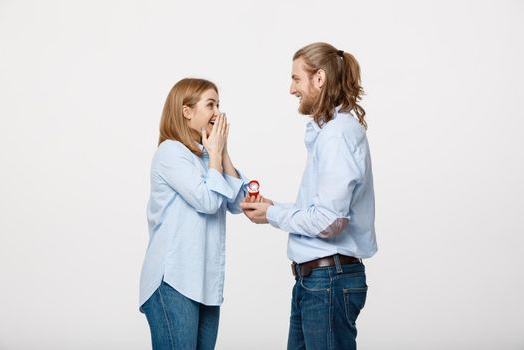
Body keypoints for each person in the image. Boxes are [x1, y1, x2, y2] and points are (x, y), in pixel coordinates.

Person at [240, 42, 378, 350]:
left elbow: (330, 220)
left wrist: (272, 215)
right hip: (318, 280)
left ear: (319, 79)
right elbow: (322, 209)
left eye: (296, 79)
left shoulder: (337, 135)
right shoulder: (329, 132)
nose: (291, 89)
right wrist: (274, 208)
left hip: (328, 281)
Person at [139, 78, 247, 350]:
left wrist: (221, 152)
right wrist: (214, 155)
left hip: (204, 284)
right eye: (210, 105)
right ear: (187, 111)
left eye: (218, 105)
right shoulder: (170, 153)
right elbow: (209, 202)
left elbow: (239, 202)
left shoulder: (205, 156)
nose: (217, 113)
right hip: (174, 281)